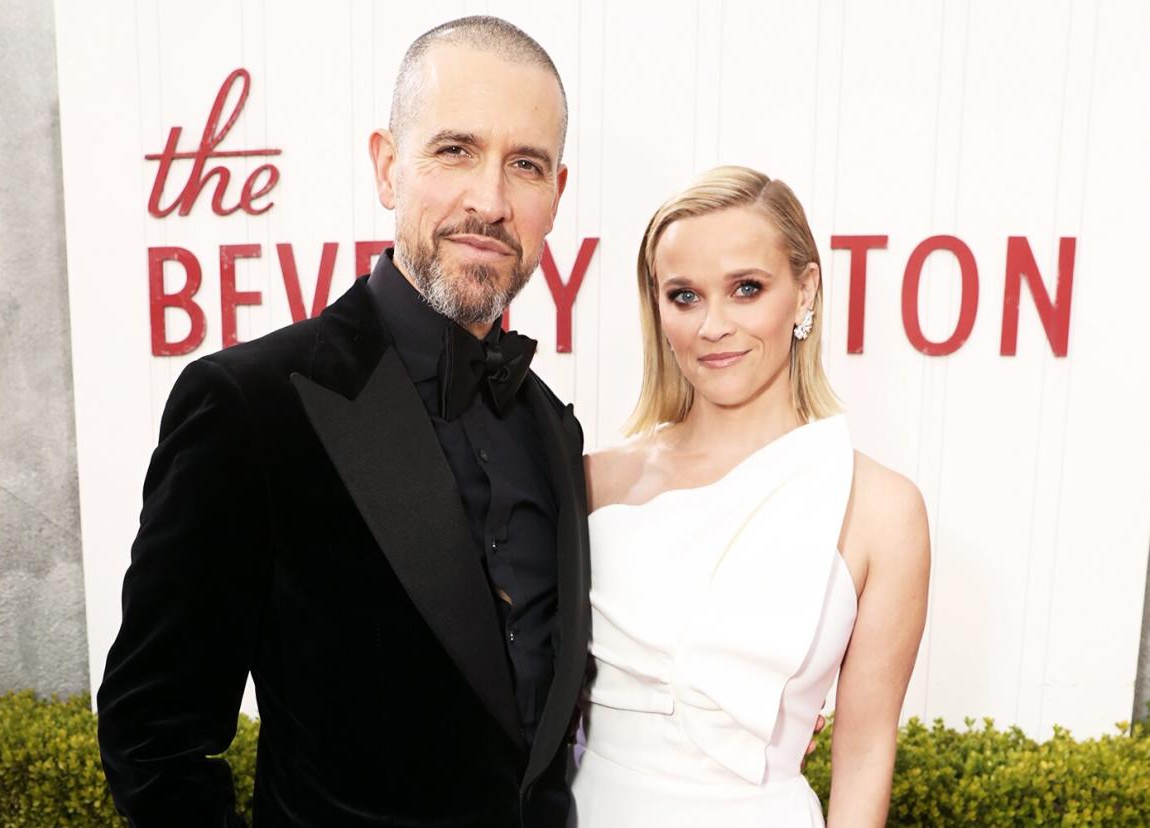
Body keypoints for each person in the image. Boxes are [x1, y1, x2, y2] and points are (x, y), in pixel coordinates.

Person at [97, 17, 590, 827]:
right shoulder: (249, 406)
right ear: (389, 167)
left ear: (555, 197)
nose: (490, 201)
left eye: (525, 165)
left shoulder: (552, 429)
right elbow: (154, 739)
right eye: (455, 149)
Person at [572, 166, 931, 826]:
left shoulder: (883, 510)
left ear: (805, 292)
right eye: (684, 296)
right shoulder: (596, 480)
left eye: (746, 289)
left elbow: (864, 751)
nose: (714, 325)